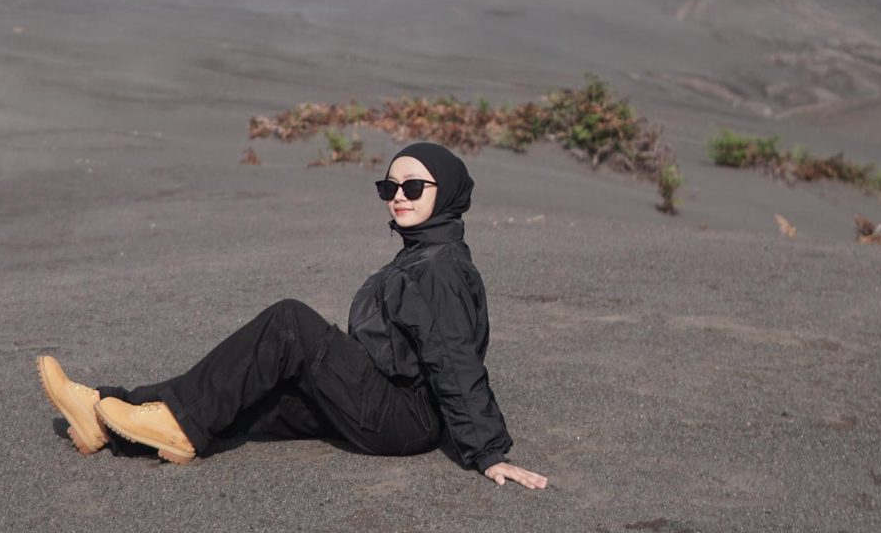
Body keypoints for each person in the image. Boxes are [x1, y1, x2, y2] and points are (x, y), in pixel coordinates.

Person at [36, 141, 548, 489]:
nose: (397, 198)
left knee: (290, 323)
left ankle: (176, 426)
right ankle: (104, 411)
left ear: (447, 194)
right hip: (378, 399)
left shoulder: (439, 267)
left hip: (402, 417)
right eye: (388, 187)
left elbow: (453, 359)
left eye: (413, 188)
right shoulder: (420, 255)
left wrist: (487, 452)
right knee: (246, 398)